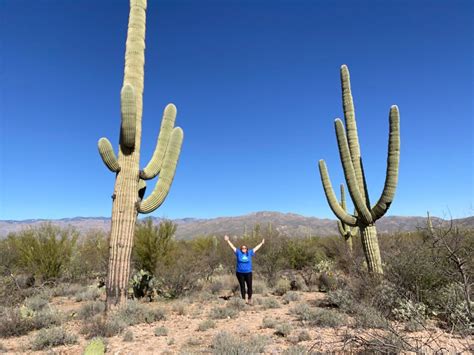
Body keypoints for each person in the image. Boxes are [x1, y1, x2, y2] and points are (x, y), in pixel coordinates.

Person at [224, 235, 264, 305]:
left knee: (249, 286)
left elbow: (256, 248)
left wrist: (261, 243)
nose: (244, 249)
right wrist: (228, 241)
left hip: (248, 273)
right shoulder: (238, 253)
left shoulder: (250, 252)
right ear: (241, 249)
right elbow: (232, 247)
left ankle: (249, 299)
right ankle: (243, 300)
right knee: (242, 286)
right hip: (240, 273)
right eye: (242, 248)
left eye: (245, 248)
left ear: (247, 249)